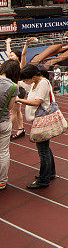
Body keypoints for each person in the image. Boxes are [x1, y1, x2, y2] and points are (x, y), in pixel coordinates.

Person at [17, 64, 58, 189]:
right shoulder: (37, 82)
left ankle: (43, 179)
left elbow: (37, 102)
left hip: (42, 120)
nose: (25, 82)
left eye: (26, 80)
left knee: (42, 150)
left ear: (33, 77)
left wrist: (19, 100)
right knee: (45, 148)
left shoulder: (42, 84)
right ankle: (50, 173)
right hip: (39, 119)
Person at [0, 60, 20, 189]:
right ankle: (2, 181)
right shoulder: (13, 86)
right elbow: (10, 107)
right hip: (4, 122)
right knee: (3, 152)